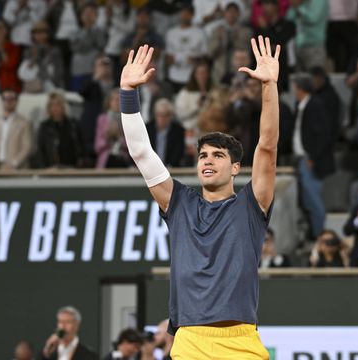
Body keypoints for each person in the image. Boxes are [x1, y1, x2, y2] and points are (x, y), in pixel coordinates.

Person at [119, 36, 279, 358]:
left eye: (218, 155)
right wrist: (127, 94)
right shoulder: (178, 203)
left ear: (235, 167)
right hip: (190, 342)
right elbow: (141, 152)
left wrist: (268, 87)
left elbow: (267, 145)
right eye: (203, 155)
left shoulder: (251, 204)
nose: (207, 160)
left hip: (241, 342)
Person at [291, 74, 335, 240]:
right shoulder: (301, 105)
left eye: (295, 87)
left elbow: (323, 134)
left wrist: (313, 157)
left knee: (315, 203)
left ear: (300, 88)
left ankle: (320, 237)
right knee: (308, 202)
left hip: (310, 161)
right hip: (301, 159)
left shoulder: (316, 105)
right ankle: (314, 235)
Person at [0, 89, 32, 170]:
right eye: (6, 99)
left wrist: (14, 163)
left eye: (11, 99)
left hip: (15, 169)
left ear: (16, 101)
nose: (8, 101)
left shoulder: (24, 123)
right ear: (2, 101)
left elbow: (26, 147)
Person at [164, 3, 207, 91]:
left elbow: (205, 57)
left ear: (192, 15)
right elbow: (167, 57)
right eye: (183, 12)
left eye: (187, 13)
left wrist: (195, 60)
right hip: (174, 76)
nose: (184, 15)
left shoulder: (200, 33)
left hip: (193, 77)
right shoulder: (171, 33)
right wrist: (171, 60)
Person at [207, 1, 252, 85]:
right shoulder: (217, 31)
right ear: (224, 13)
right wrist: (219, 41)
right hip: (219, 73)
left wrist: (236, 39)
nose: (231, 14)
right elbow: (210, 53)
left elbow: (248, 52)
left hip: (238, 74)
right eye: (229, 11)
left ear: (239, 14)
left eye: (234, 11)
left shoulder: (246, 31)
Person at [255, 0, 295, 92]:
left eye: (267, 4)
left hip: (284, 71)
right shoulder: (260, 28)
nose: (264, 8)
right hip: (267, 73)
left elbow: (280, 44)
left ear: (276, 6)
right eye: (263, 5)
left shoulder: (287, 25)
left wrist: (266, 30)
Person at [37, 92, 84, 168]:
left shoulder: (73, 125)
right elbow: (40, 150)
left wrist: (81, 164)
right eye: (52, 105)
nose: (55, 108)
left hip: (72, 168)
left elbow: (81, 147)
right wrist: (44, 169)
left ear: (63, 106)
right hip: (52, 168)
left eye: (58, 104)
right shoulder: (44, 126)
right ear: (49, 108)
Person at [18, 20, 64, 93]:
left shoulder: (55, 51)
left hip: (51, 85)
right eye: (37, 33)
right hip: (33, 86)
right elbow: (24, 72)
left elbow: (59, 70)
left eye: (42, 32)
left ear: (48, 34)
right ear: (33, 35)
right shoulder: (28, 51)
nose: (40, 35)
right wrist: (33, 58)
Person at [69, 3, 107, 91]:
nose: (88, 15)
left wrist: (92, 29)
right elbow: (76, 48)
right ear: (80, 16)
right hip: (78, 69)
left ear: (96, 16)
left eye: (91, 13)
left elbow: (101, 45)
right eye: (85, 13)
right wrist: (88, 30)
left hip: (94, 70)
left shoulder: (100, 31)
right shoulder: (74, 32)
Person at [326, 0, 358, 72]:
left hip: (350, 20)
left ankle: (352, 73)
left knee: (353, 53)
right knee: (333, 54)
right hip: (330, 20)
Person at [286, 0, 328, 71]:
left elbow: (313, 18)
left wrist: (298, 7)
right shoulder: (300, 2)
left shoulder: (320, 1)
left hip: (314, 47)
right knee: (298, 80)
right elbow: (289, 18)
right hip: (297, 47)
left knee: (315, 79)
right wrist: (294, 6)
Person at [94, 89, 129, 168]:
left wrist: (119, 136)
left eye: (119, 99)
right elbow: (97, 146)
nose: (117, 102)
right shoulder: (102, 119)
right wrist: (108, 136)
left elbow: (131, 145)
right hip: (106, 159)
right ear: (109, 102)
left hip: (122, 158)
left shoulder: (127, 119)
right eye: (114, 99)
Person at [146, 98, 185, 167]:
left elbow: (178, 152)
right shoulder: (147, 129)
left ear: (171, 116)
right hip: (149, 168)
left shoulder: (178, 131)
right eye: (160, 115)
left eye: (166, 115)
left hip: (171, 169)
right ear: (155, 115)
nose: (163, 118)